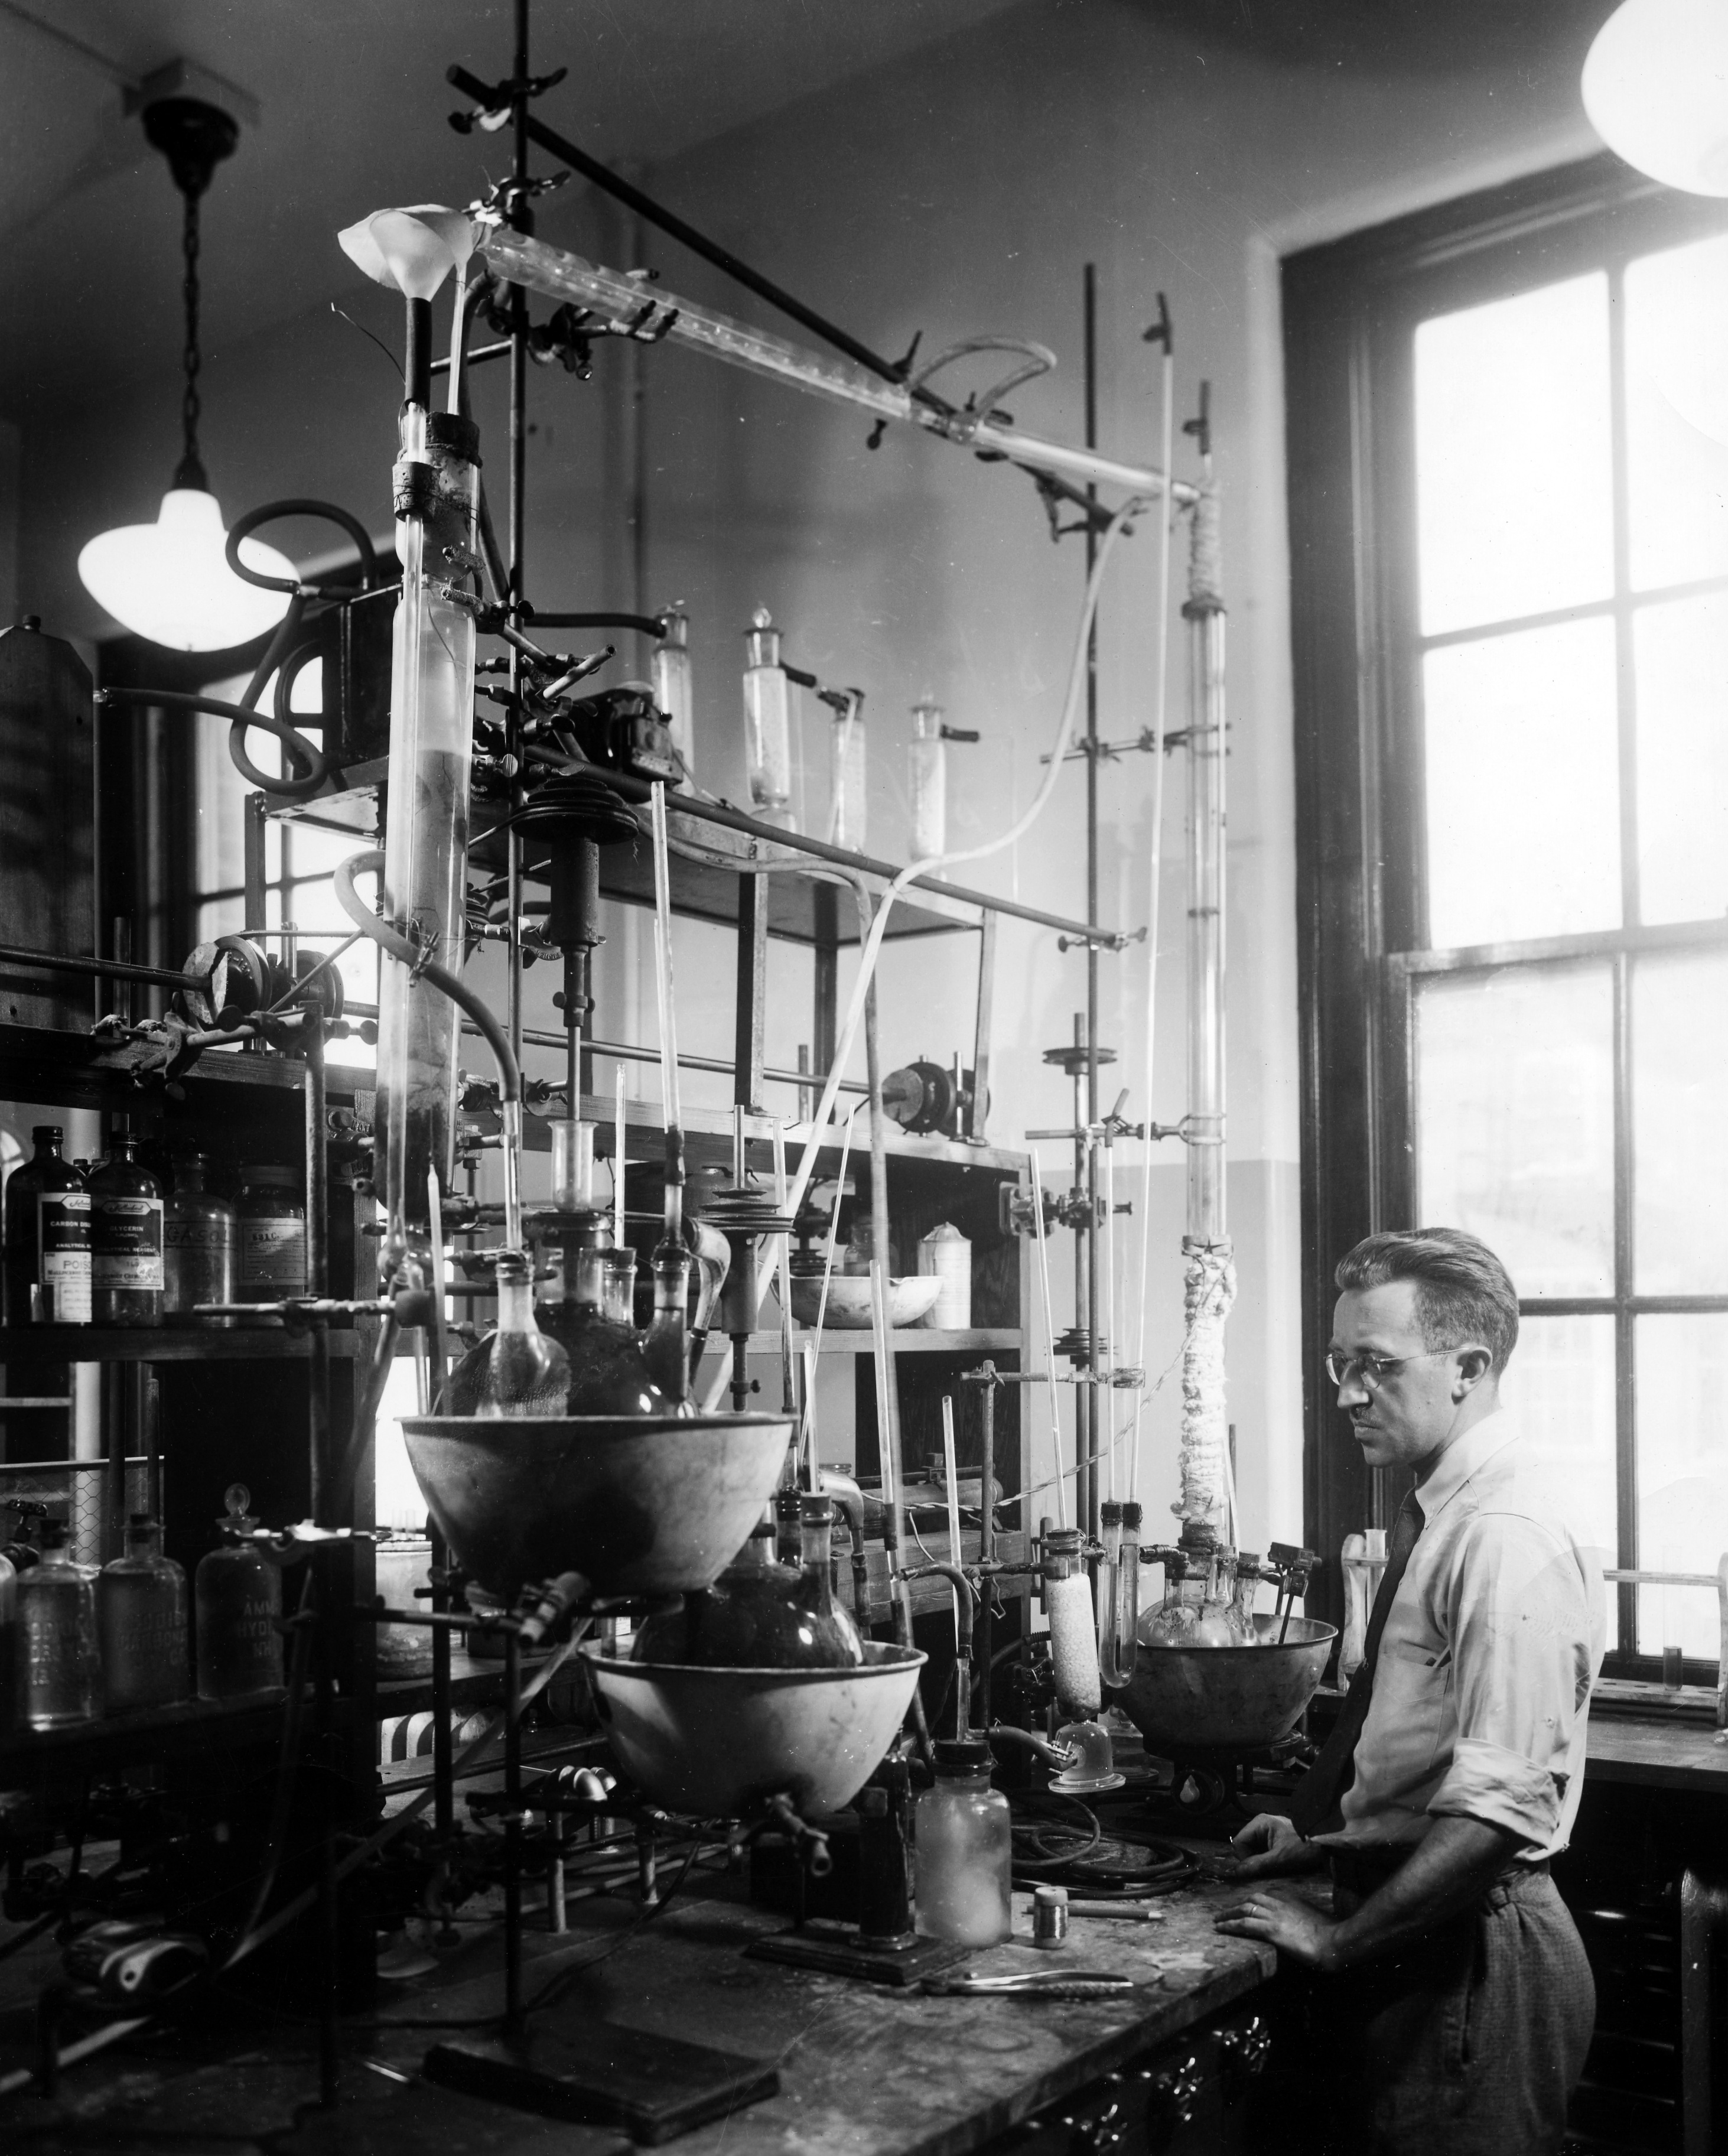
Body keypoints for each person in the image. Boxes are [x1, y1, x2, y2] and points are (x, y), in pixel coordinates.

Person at [1215, 1227, 1603, 2156]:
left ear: (1468, 1365)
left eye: (1376, 1366)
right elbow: (1431, 1763)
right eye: (1338, 1363)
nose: (1346, 1392)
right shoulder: (1444, 1509)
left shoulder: (1501, 1532)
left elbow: (1493, 1817)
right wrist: (1324, 1839)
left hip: (1471, 1961)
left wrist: (1338, 1942)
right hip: (1422, 1929)